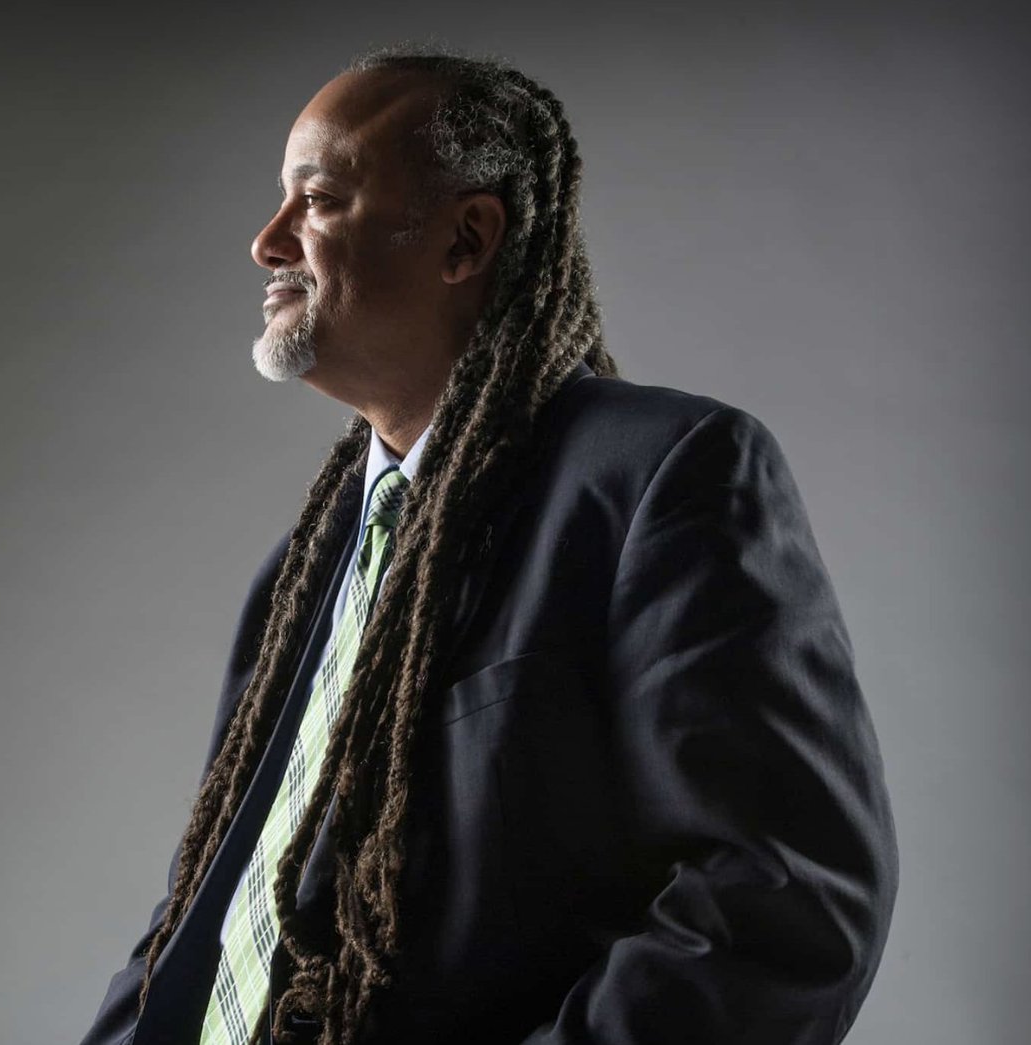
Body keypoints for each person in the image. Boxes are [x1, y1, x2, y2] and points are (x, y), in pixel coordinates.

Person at [80, 47, 898, 1045]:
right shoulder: (301, 571)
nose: (267, 242)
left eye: (320, 199)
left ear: (466, 240)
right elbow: (212, 901)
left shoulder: (659, 477)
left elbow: (781, 900)